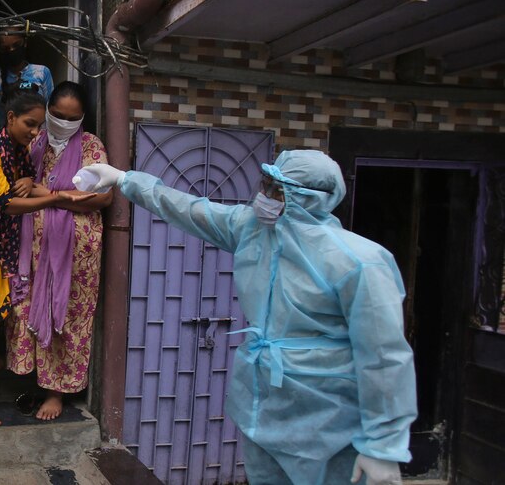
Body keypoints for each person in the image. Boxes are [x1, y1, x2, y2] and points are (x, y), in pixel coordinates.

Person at [78, 150, 415, 485]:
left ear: (306, 198)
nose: (262, 196)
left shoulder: (360, 262)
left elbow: (383, 358)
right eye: (263, 183)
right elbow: (190, 210)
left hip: (330, 423)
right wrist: (125, 179)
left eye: (274, 189)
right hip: (264, 410)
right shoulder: (254, 230)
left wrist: (383, 447)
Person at [0, 89, 92, 426]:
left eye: (37, 127)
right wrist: (57, 199)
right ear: (10, 118)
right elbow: (8, 203)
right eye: (30, 125)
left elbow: (27, 182)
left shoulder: (20, 153)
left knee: (0, 315)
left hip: (5, 249)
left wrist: (32, 181)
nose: (35, 133)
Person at [6, 82, 112, 420]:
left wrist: (49, 192)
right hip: (30, 249)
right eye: (57, 115)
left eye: (72, 118)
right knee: (24, 307)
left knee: (64, 314)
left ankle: (56, 392)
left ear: (82, 119)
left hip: (74, 254)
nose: (63, 122)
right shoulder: (33, 139)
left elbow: (104, 198)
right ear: (47, 108)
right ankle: (29, 377)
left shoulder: (91, 148)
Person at [0, 30, 54, 129]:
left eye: (16, 45)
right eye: (5, 48)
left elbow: (51, 113)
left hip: (39, 141)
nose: (12, 50)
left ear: (25, 42)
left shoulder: (42, 72)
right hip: (7, 142)